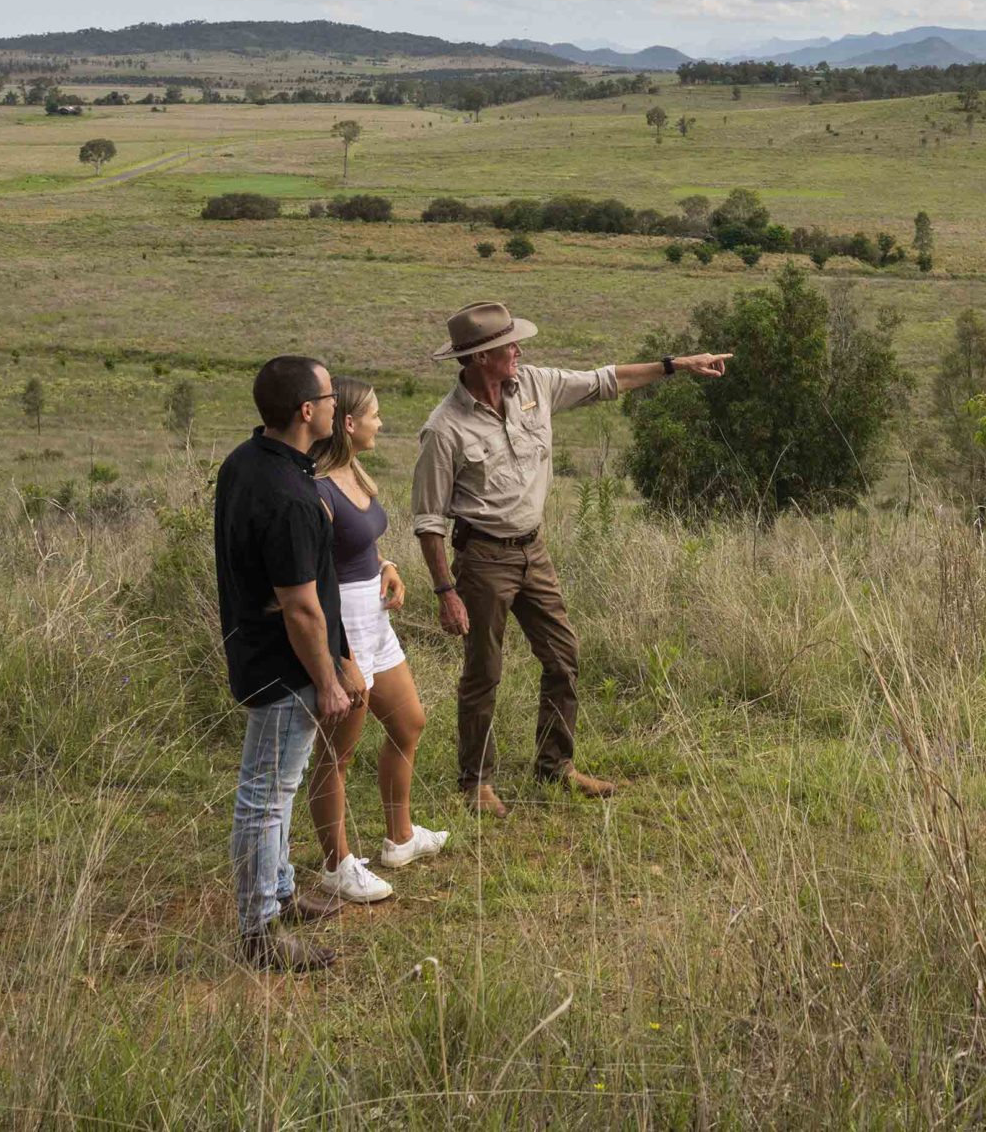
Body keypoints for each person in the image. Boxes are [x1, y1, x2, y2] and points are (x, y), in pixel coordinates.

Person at [411, 300, 729, 817]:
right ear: (475, 359)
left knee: (563, 656)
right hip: (483, 557)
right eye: (505, 346)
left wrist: (676, 365)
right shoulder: (444, 429)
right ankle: (476, 782)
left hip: (532, 550)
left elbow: (605, 381)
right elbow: (428, 521)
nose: (517, 350)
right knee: (483, 672)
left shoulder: (534, 384)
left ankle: (555, 766)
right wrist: (446, 592)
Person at [216, 354, 361, 972]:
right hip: (286, 665)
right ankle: (259, 933)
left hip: (257, 649)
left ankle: (278, 893)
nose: (336, 407)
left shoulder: (247, 462)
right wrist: (328, 678)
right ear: (307, 411)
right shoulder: (290, 496)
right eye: (329, 398)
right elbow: (301, 608)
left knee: (279, 786)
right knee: (266, 797)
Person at [304, 375, 448, 903]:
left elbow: (359, 541)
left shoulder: (352, 472)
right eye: (374, 414)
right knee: (336, 754)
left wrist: (387, 563)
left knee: (409, 721)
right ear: (347, 422)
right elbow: (315, 573)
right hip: (344, 625)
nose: (381, 422)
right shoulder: (316, 487)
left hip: (374, 616)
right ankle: (336, 864)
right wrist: (339, 657)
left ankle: (400, 838)